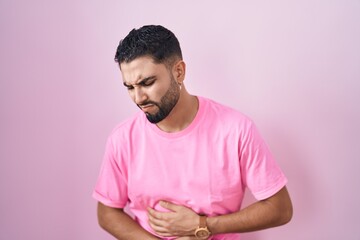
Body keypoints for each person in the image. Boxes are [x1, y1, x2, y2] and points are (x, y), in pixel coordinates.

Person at [93, 25, 293, 240]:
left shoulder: (236, 130)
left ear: (178, 71)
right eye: (130, 87)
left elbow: (280, 209)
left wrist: (202, 225)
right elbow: (107, 211)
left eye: (147, 83)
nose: (139, 98)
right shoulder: (123, 138)